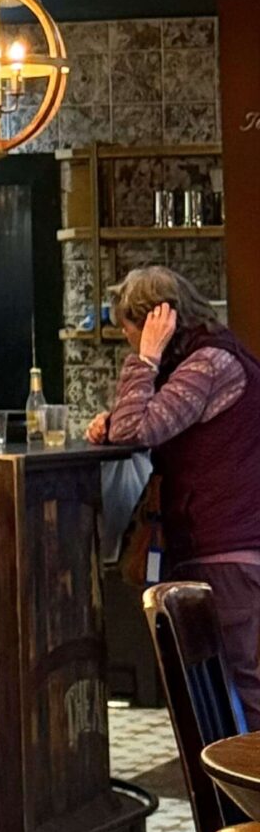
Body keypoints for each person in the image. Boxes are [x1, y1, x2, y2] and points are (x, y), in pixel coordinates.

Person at [88, 266, 260, 709]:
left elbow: (136, 431)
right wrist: (110, 423)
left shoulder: (208, 363)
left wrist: (144, 360)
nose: (128, 340)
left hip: (226, 552)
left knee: (244, 694)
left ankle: (245, 779)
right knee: (224, 700)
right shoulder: (209, 359)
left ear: (154, 323)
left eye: (129, 331)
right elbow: (144, 424)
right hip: (224, 548)